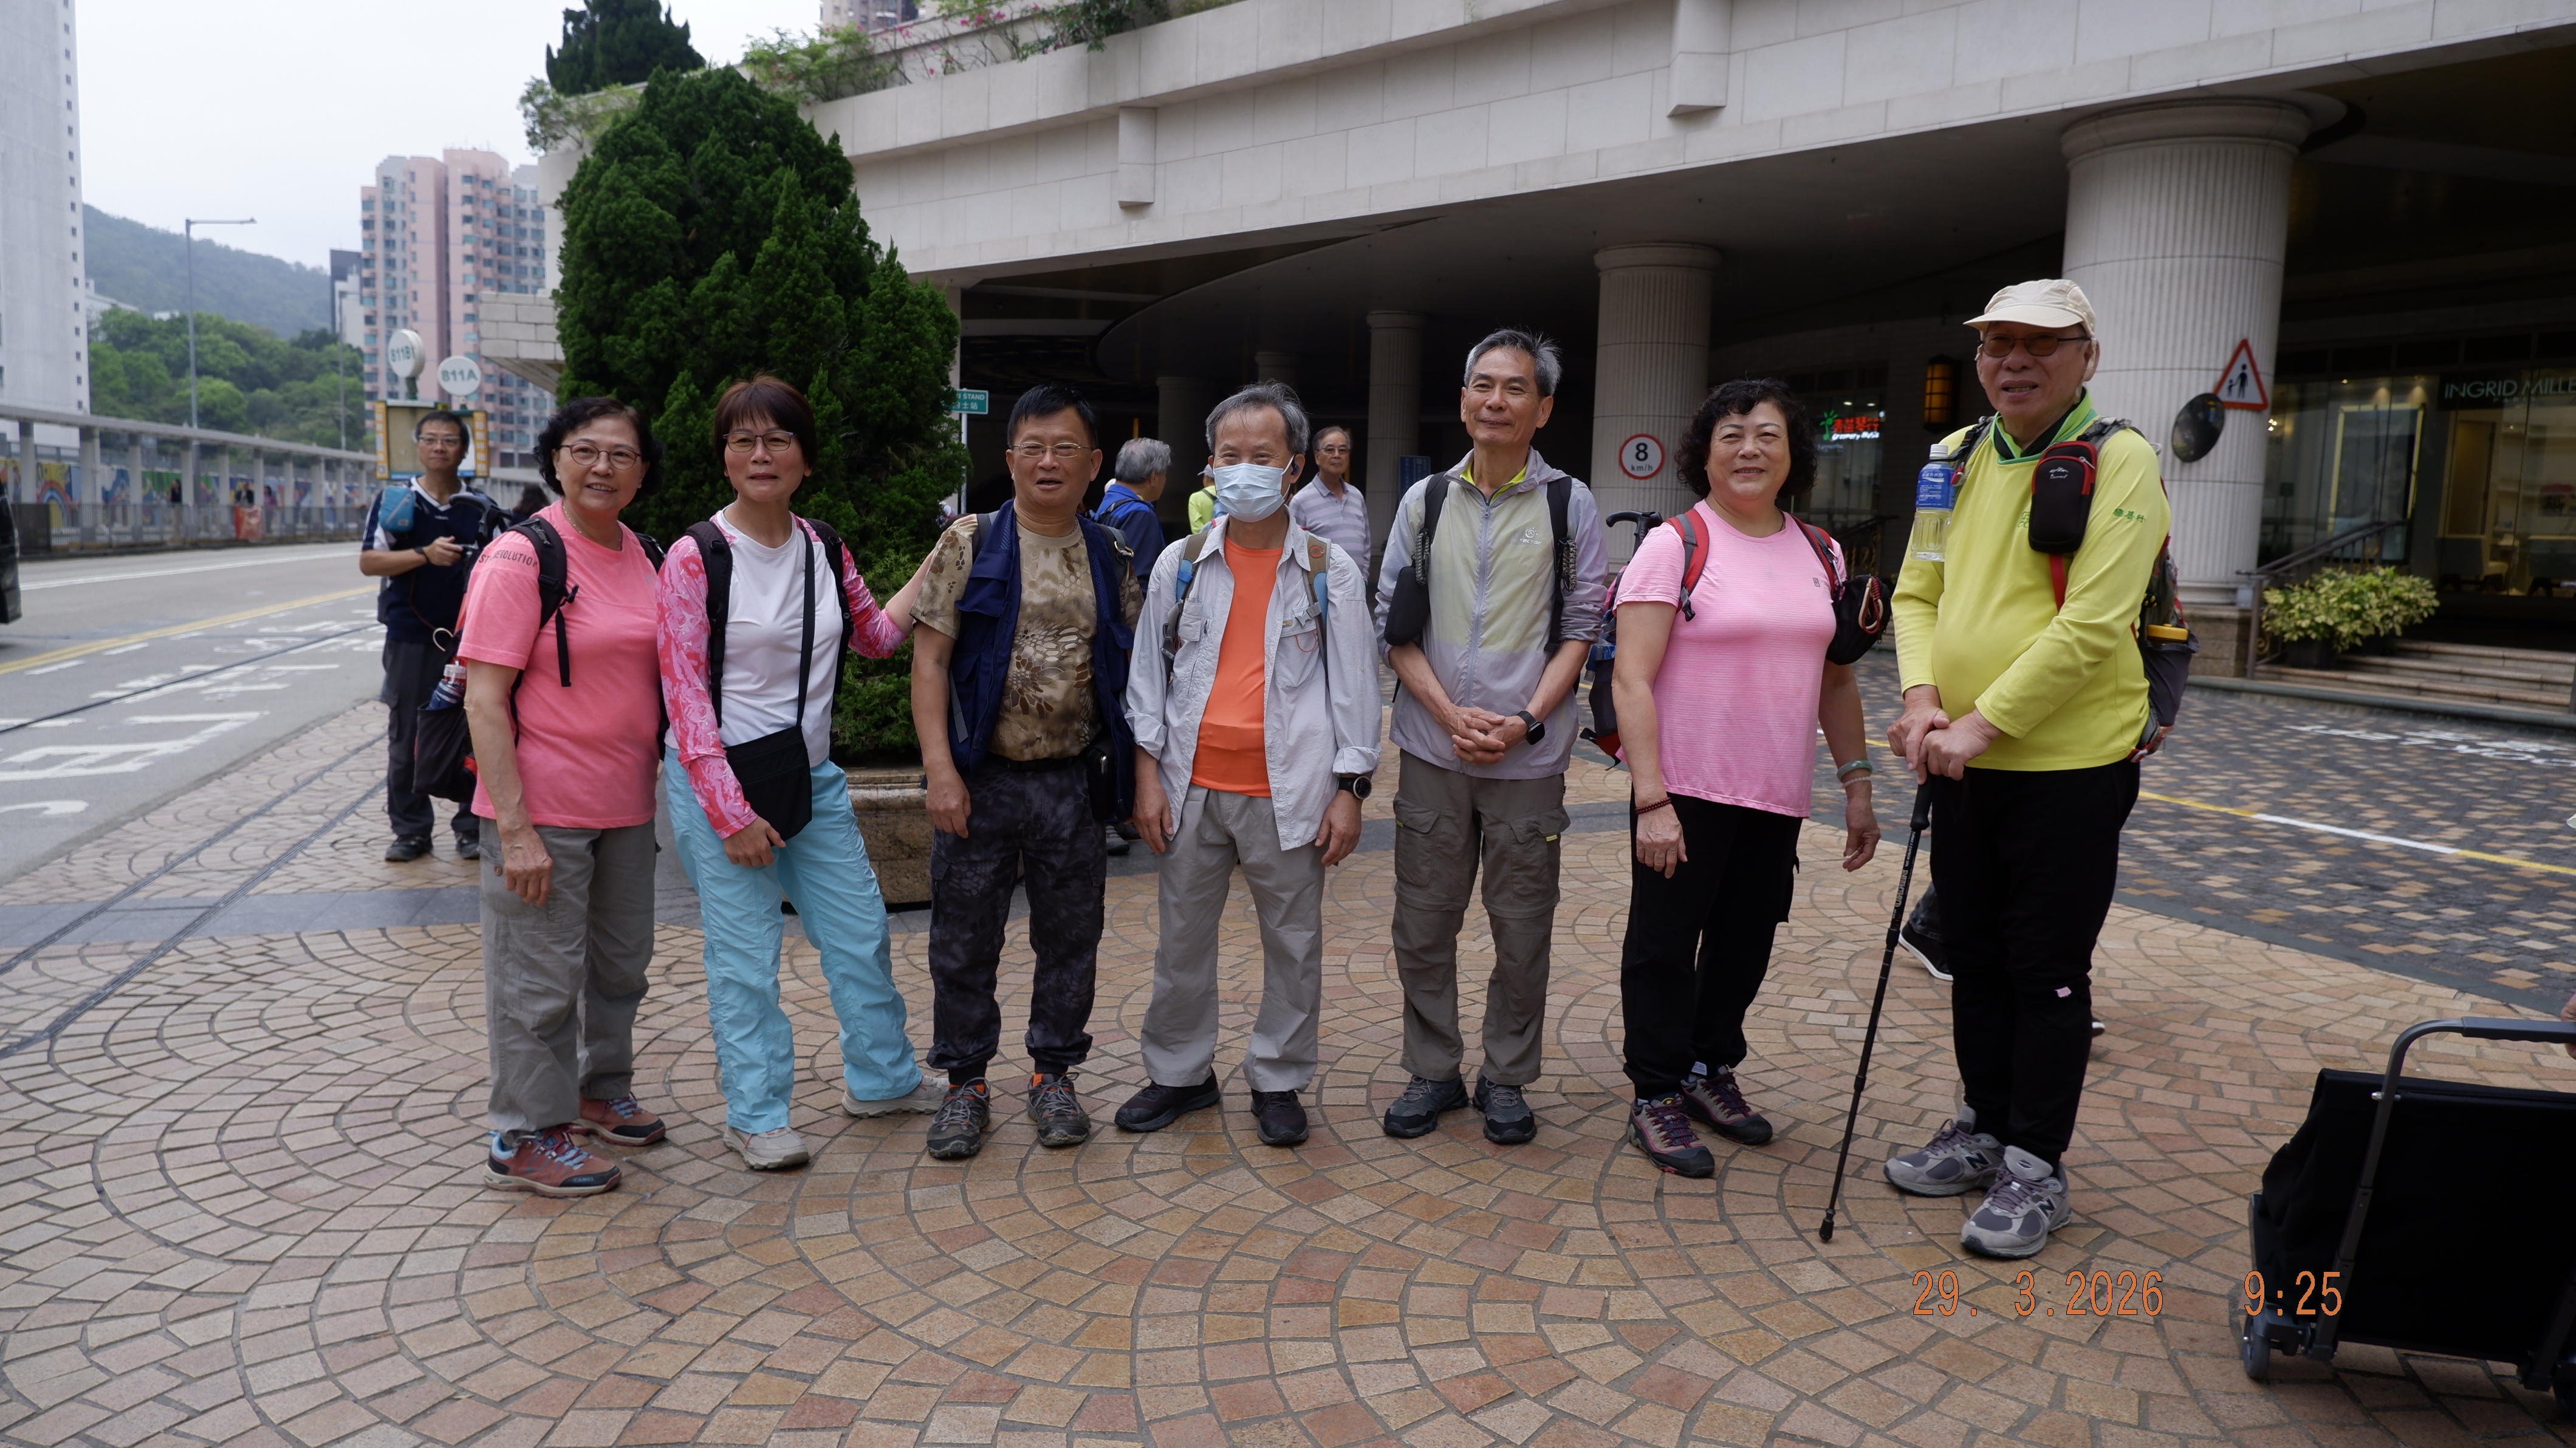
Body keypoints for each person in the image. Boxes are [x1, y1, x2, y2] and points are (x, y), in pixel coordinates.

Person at [1882, 278, 2170, 1258]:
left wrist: (1979, 726)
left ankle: (2036, 1164)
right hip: (1959, 758)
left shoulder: (2120, 459)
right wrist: (1923, 699)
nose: (2015, 360)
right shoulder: (1953, 457)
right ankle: (1984, 1122)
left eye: (2041, 343)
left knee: (2045, 970)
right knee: (1973, 953)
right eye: (1997, 342)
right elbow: (1917, 592)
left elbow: (2094, 624)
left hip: (2067, 767)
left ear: (2087, 356)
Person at [658, 377, 942, 1173]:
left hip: (809, 778)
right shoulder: (694, 557)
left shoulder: (823, 546)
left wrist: (939, 560)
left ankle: (883, 1079)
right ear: (723, 457)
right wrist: (730, 814)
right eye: (743, 440)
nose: (761, 454)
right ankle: (756, 1115)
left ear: (806, 459)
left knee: (859, 934)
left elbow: (874, 636)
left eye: (778, 439)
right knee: (745, 960)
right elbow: (684, 695)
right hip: (719, 786)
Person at [1609, 378, 1881, 1178]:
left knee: (1744, 944)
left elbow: (1836, 678)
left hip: (1775, 792)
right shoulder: (1677, 544)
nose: (1749, 449)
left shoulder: (1822, 552)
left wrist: (1857, 783)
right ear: (1706, 453)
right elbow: (1631, 678)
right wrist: (1651, 799)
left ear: (1793, 455)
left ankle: (1707, 1066)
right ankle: (1656, 1090)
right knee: (1663, 946)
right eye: (1731, 435)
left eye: (1767, 435)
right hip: (1684, 789)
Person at [1117, 383, 1380, 1149]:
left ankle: (1278, 1077)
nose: (1244, 469)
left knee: (1293, 944)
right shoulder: (1181, 562)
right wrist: (1145, 775)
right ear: (1209, 466)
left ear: (1292, 466)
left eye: (1261, 455)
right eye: (1229, 455)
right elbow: (1147, 678)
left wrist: (1350, 788)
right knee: (1180, 942)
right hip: (1190, 786)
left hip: (1291, 790)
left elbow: (1357, 687)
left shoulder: (1328, 569)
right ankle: (1179, 1073)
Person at [1371, 329, 1608, 1146]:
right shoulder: (1426, 500)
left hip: (1528, 758)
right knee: (1422, 922)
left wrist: (1525, 720)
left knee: (1522, 928)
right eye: (1483, 385)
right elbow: (1393, 624)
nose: (1495, 401)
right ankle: (1432, 1069)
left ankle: (1506, 1076)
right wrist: (1447, 714)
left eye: (1514, 388)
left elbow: (1581, 628)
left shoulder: (1569, 504)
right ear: (1465, 399)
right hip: (1433, 750)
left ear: (1543, 409)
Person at [908, 383, 1143, 1161]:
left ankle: (1054, 1075)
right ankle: (965, 1084)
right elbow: (929, 661)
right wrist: (940, 770)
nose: (1049, 461)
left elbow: (1133, 669)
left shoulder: (1110, 552)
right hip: (981, 779)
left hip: (1071, 783)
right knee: (963, 940)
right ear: (1009, 459)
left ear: (1093, 463)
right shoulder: (968, 541)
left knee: (1071, 938)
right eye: (1034, 447)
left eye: (1065, 448)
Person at [459, 397, 673, 1197]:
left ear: (643, 472)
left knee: (621, 967)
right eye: (585, 450)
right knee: (539, 978)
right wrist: (515, 830)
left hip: (628, 804)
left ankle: (598, 1089)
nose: (602, 467)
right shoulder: (522, 557)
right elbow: (485, 700)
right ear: (555, 460)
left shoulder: (647, 554)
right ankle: (525, 1132)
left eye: (621, 454)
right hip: (542, 808)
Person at [358, 409, 496, 863]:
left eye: (450, 440)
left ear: (464, 449)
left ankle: (470, 826)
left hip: (470, 640)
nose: (440, 447)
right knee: (407, 736)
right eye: (431, 439)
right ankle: (411, 831)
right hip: (411, 638)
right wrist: (424, 554)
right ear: (418, 446)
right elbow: (370, 562)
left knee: (475, 732)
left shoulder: (479, 506)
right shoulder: (397, 501)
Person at [1093, 437, 1173, 858]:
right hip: (1125, 635)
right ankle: (1112, 816)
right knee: (1125, 718)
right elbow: (1140, 583)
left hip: (1104, 629)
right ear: (1155, 476)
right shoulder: (1139, 513)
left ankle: (1116, 815)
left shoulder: (1108, 503)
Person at [1288, 425, 1369, 587]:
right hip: (1320, 592)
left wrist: (1364, 580)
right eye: (1330, 450)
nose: (1337, 455)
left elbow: (1366, 546)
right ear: (1317, 457)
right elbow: (1293, 552)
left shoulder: (1357, 496)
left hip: (1357, 589)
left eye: (1343, 450)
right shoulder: (1301, 501)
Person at [1095, 438, 1170, 581]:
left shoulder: (1111, 499)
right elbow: (1139, 579)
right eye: (1164, 475)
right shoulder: (1140, 514)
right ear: (1154, 477)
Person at [1186, 466, 1219, 531]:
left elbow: (1197, 529)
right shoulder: (1228, 494)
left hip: (1207, 537)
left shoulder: (1196, 498)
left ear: (1206, 477)